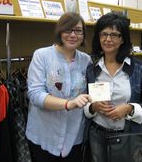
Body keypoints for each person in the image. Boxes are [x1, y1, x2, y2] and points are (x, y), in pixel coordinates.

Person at [84, 12, 142, 162]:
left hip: (128, 135)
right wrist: (93, 107)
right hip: (97, 135)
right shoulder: (92, 70)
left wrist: (129, 108)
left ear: (123, 39)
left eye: (114, 35)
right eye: (104, 34)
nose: (108, 39)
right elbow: (85, 103)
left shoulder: (139, 69)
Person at [26, 12, 92, 162]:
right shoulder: (42, 56)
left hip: (75, 136)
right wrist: (69, 104)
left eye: (78, 30)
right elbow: (35, 95)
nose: (73, 35)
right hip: (44, 135)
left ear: (83, 35)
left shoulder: (86, 61)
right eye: (68, 30)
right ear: (60, 31)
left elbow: (91, 92)